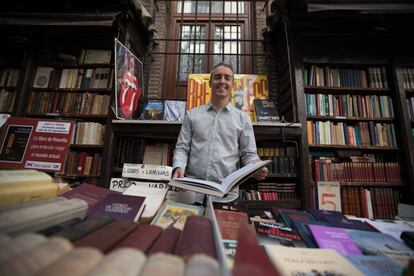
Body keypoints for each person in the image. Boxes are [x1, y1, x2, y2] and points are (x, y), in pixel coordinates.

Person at [172, 62, 268, 201]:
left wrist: (256, 167)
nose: (222, 81)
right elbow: (182, 148)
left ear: (232, 84)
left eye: (227, 78)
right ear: (210, 83)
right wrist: (179, 166)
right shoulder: (192, 115)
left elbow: (249, 155)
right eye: (217, 77)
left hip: (226, 195)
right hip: (192, 192)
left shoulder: (243, 119)